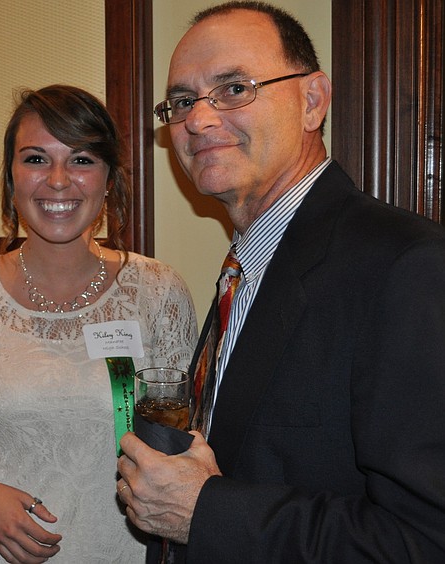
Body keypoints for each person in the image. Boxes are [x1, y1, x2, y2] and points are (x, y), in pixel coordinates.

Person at [116, 2, 445, 562]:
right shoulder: (243, 268)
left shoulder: (406, 266)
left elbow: (423, 541)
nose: (197, 119)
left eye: (234, 88)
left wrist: (206, 513)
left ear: (312, 101)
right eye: (181, 102)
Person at [0, 84, 198, 563]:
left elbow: (178, 431)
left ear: (109, 179)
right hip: (0, 548)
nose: (59, 180)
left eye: (82, 160)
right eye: (36, 159)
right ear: (11, 177)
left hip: (123, 546)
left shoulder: (159, 292)